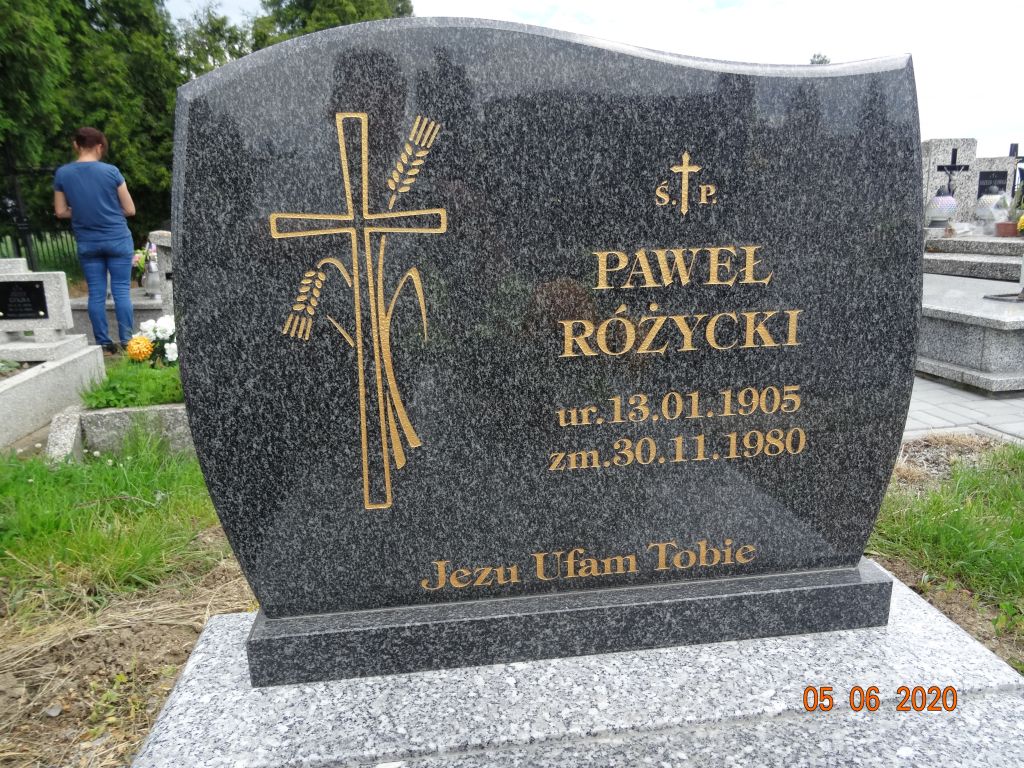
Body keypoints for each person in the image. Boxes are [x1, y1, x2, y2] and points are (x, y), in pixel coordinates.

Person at [53, 127, 136, 352]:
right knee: (121, 291)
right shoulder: (111, 172)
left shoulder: (63, 174)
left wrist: (80, 211)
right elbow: (130, 209)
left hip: (88, 242)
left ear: (76, 145)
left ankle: (103, 342)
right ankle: (128, 341)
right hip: (117, 238)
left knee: (96, 294)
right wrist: (109, 211)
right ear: (100, 146)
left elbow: (60, 211)